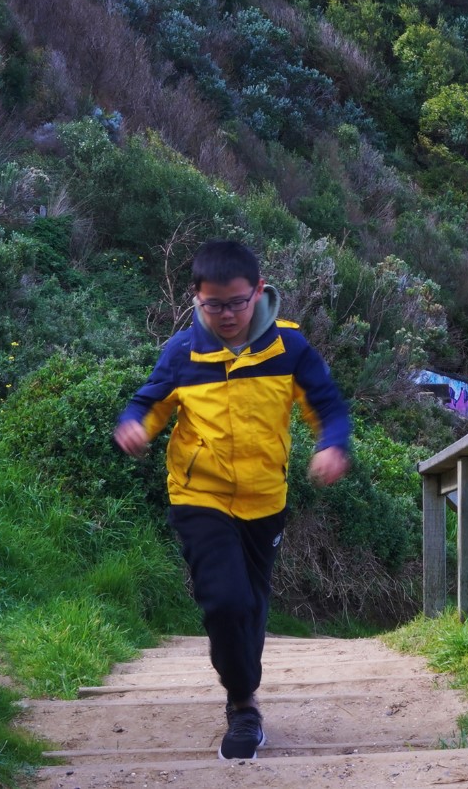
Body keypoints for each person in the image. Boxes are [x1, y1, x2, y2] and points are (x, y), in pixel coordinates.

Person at [113, 240, 351, 760]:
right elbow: (149, 402)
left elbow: (327, 405)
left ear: (259, 292)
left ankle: (243, 686)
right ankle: (243, 705)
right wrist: (135, 425)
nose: (226, 315)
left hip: (266, 499)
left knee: (253, 606)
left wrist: (333, 443)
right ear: (195, 298)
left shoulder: (288, 348)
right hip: (198, 493)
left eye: (237, 303)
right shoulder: (183, 352)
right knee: (226, 601)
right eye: (213, 304)